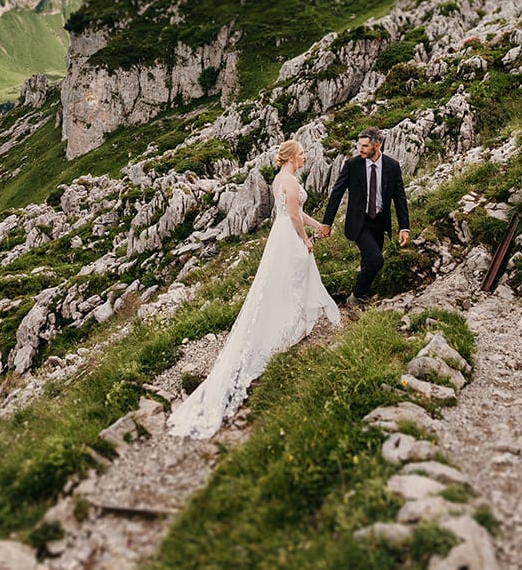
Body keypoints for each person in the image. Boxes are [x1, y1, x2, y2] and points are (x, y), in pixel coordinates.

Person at [168, 139, 340, 439]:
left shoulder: (282, 179)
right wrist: (308, 239)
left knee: (285, 283)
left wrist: (318, 226)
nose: (305, 156)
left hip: (281, 235)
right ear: (290, 157)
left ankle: (290, 322)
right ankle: (287, 328)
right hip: (289, 237)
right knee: (291, 280)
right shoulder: (288, 179)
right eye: (301, 153)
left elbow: (294, 213)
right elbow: (295, 217)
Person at [317, 126, 409, 307]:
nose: (360, 149)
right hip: (359, 223)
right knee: (376, 260)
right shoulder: (352, 165)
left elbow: (400, 198)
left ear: (377, 145)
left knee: (368, 261)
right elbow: (337, 193)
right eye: (359, 145)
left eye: (365, 146)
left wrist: (404, 227)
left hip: (380, 222)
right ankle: (354, 298)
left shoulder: (392, 166)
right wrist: (327, 223)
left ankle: (361, 293)